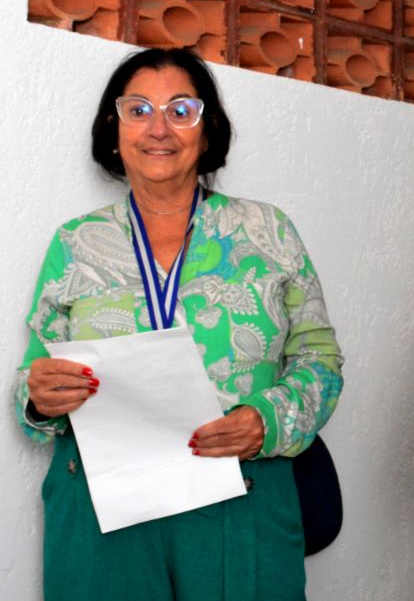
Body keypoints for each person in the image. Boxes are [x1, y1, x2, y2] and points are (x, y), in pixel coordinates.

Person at [16, 47, 343, 600]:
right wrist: (39, 397)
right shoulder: (75, 243)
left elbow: (320, 361)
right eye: (138, 110)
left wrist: (266, 420)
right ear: (113, 129)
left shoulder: (267, 231)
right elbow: (31, 380)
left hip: (239, 492)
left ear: (207, 130)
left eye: (181, 110)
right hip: (101, 505)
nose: (158, 128)